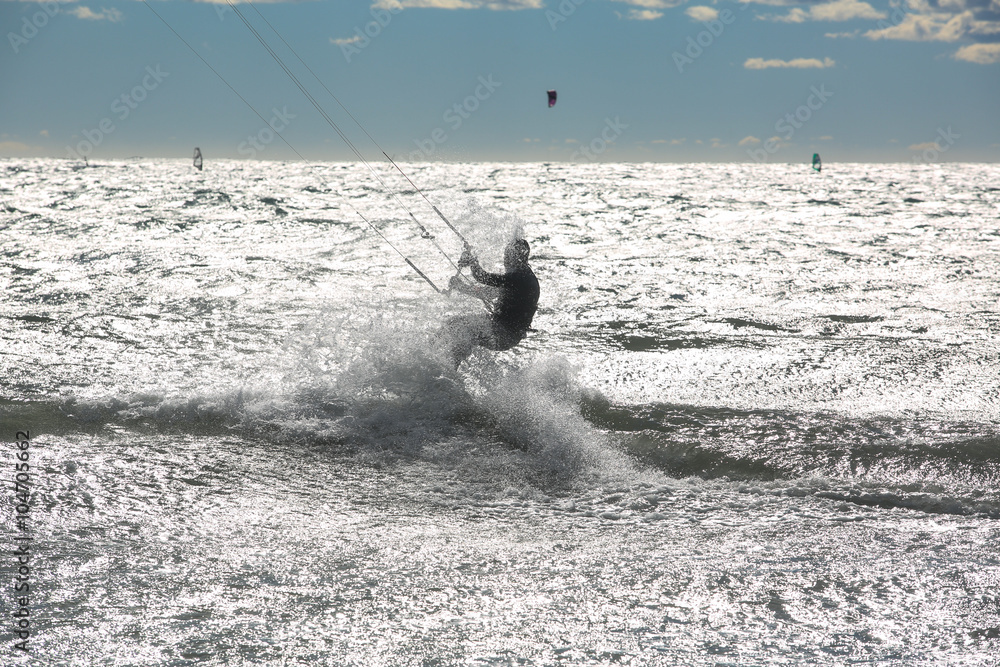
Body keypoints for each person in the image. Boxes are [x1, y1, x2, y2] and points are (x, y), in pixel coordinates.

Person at [443, 238, 540, 368]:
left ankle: (448, 371)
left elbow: (482, 276)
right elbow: (487, 294)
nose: (505, 259)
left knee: (465, 329)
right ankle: (442, 363)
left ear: (517, 258)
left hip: (504, 334)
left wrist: (472, 261)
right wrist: (461, 287)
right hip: (501, 329)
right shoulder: (516, 277)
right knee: (454, 323)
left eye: (508, 256)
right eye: (505, 255)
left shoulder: (520, 278)